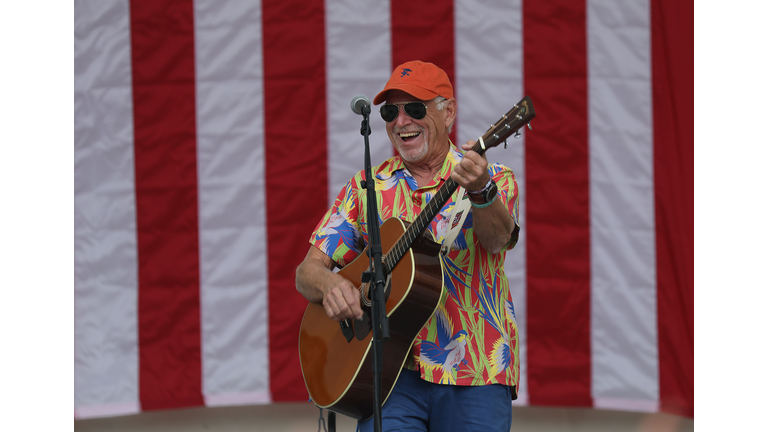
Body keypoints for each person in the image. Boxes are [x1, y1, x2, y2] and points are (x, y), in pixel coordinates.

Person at [296, 60, 521, 432]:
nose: (401, 122)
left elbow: (498, 240)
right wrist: (330, 285)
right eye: (390, 112)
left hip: (476, 369)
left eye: (415, 109)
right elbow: (307, 272)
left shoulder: (494, 179)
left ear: (448, 113)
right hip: (387, 376)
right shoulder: (366, 187)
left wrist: (480, 191)